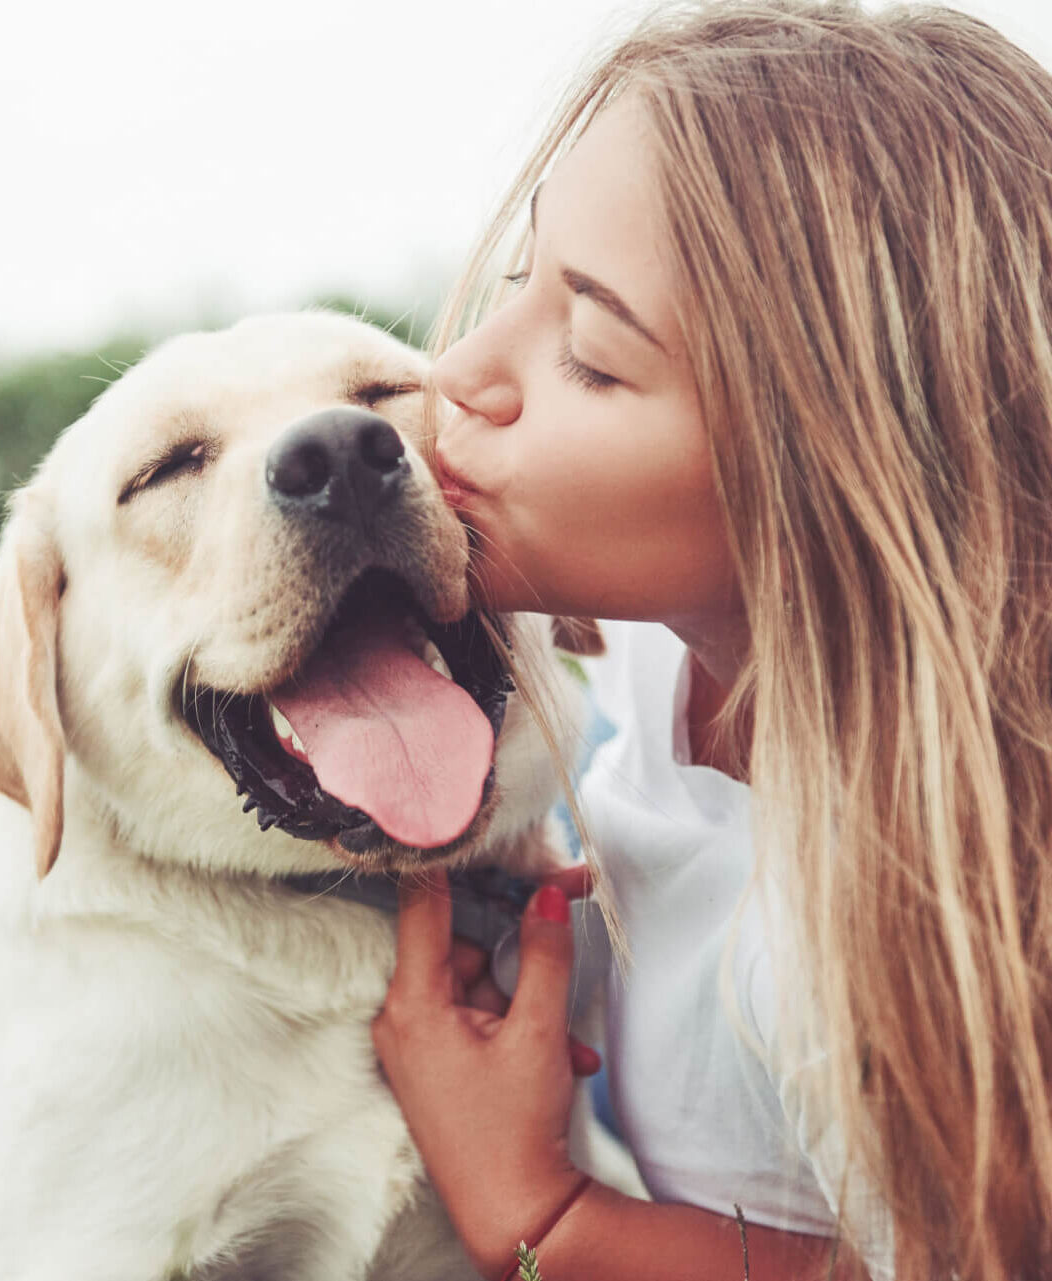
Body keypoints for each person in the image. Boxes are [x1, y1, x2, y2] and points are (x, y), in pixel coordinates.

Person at [369, 2, 1052, 1278]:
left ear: (835, 472)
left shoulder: (863, 933)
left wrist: (541, 1211)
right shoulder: (667, 641)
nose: (461, 369)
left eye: (589, 355)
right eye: (523, 281)